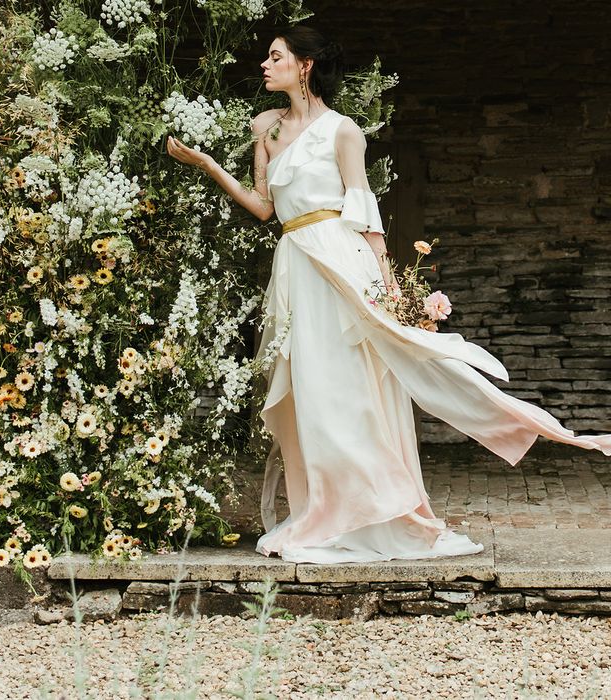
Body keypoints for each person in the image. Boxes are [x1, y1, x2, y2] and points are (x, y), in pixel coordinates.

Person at [166, 25, 611, 564]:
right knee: (308, 386)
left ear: (304, 65)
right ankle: (323, 508)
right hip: (294, 263)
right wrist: (207, 165)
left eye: (276, 56)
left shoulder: (343, 131)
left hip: (339, 256)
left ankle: (376, 507)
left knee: (348, 385)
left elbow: (362, 204)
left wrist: (387, 276)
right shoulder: (266, 127)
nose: (265, 63)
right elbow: (264, 207)